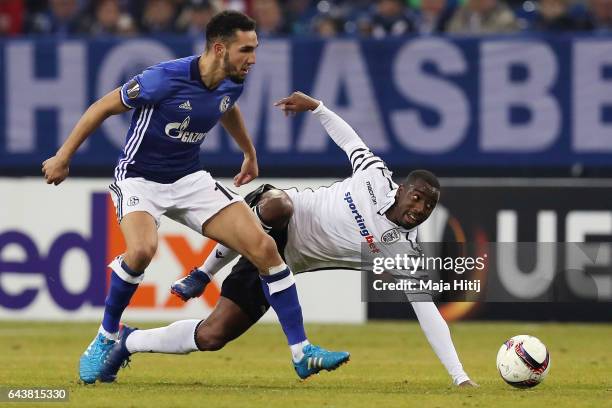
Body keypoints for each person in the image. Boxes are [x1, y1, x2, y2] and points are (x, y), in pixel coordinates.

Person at [41, 11, 348, 384]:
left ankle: (302, 353)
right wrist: (63, 156)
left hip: (189, 179)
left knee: (264, 247)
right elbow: (102, 107)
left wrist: (248, 153)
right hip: (140, 179)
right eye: (245, 49)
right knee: (141, 252)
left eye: (255, 49)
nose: (252, 58)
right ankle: (106, 337)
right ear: (219, 48)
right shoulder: (162, 79)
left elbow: (226, 108)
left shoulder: (233, 81)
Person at [100, 91, 478, 387]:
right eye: (417, 197)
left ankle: (127, 343)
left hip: (278, 264)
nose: (421, 208)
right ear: (401, 189)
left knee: (214, 335)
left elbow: (428, 314)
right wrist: (318, 107)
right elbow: (351, 140)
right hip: (278, 211)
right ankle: (202, 272)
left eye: (430, 205)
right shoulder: (375, 176)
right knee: (278, 205)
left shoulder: (403, 252)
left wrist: (459, 376)